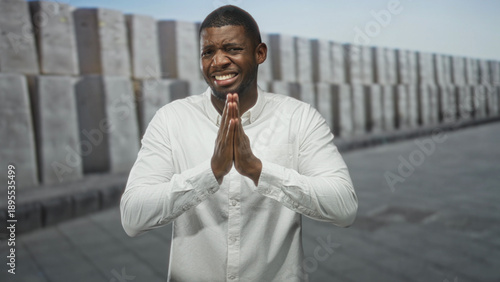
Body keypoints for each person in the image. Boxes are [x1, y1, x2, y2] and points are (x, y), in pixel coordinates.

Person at [120, 5, 357, 282]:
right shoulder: (171, 119)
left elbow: (344, 208)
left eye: (232, 49)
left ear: (260, 53)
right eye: (208, 52)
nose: (218, 61)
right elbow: (133, 217)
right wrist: (210, 174)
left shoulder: (299, 118)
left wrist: (258, 170)